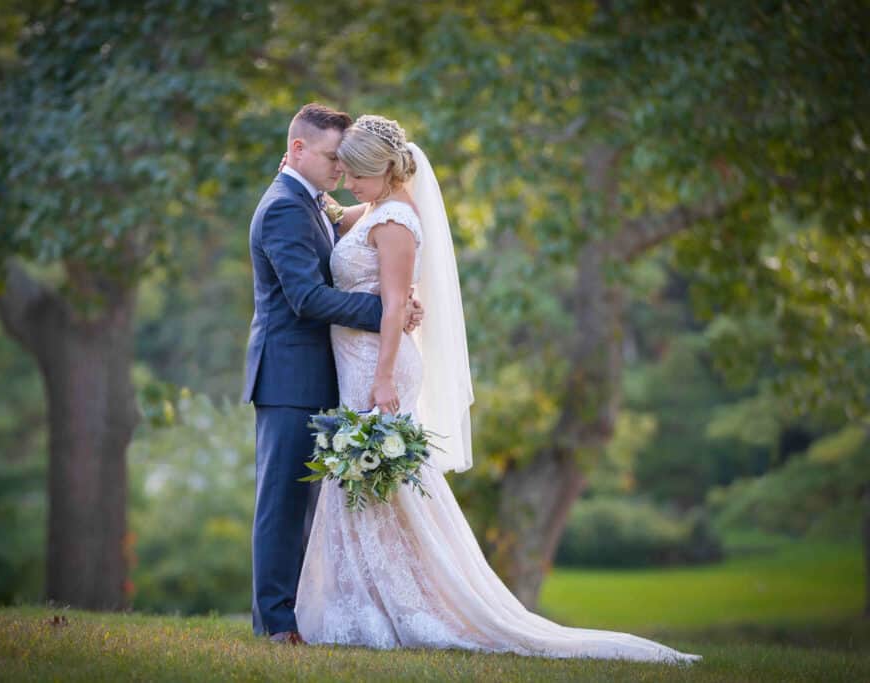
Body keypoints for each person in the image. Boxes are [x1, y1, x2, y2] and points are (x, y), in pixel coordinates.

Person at [293, 114, 701, 664]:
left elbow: (393, 305)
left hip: (376, 365)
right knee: (373, 489)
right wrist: (304, 182)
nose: (346, 180)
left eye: (356, 175)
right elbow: (344, 222)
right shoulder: (374, 209)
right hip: (358, 360)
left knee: (384, 485)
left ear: (384, 174)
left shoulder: (393, 221)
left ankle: (398, 606)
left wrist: (384, 376)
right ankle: (368, 602)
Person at [242, 104, 422, 644]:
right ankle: (275, 625)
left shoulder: (313, 200)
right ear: (297, 150)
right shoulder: (282, 208)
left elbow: (370, 230)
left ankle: (306, 612)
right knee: (281, 502)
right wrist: (388, 313)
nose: (340, 170)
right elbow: (303, 297)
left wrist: (397, 304)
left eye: (346, 162)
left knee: (315, 507)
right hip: (288, 376)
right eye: (330, 158)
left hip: (325, 372)